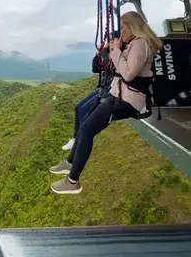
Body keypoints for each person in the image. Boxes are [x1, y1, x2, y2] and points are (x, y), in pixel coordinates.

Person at [50, 11, 163, 195]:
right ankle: (70, 164)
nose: (121, 31)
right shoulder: (134, 44)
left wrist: (116, 50)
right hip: (118, 95)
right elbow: (111, 67)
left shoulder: (141, 44)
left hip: (126, 100)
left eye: (123, 27)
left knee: (87, 130)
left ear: (131, 26)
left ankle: (72, 181)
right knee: (85, 122)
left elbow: (128, 74)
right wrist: (109, 50)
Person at [62, 32, 120, 151]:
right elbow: (96, 68)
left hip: (110, 90)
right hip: (104, 88)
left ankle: (78, 139)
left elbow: (108, 66)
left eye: (110, 40)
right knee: (78, 108)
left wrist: (104, 52)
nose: (108, 43)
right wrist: (99, 54)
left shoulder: (117, 54)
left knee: (84, 110)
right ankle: (75, 139)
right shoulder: (109, 53)